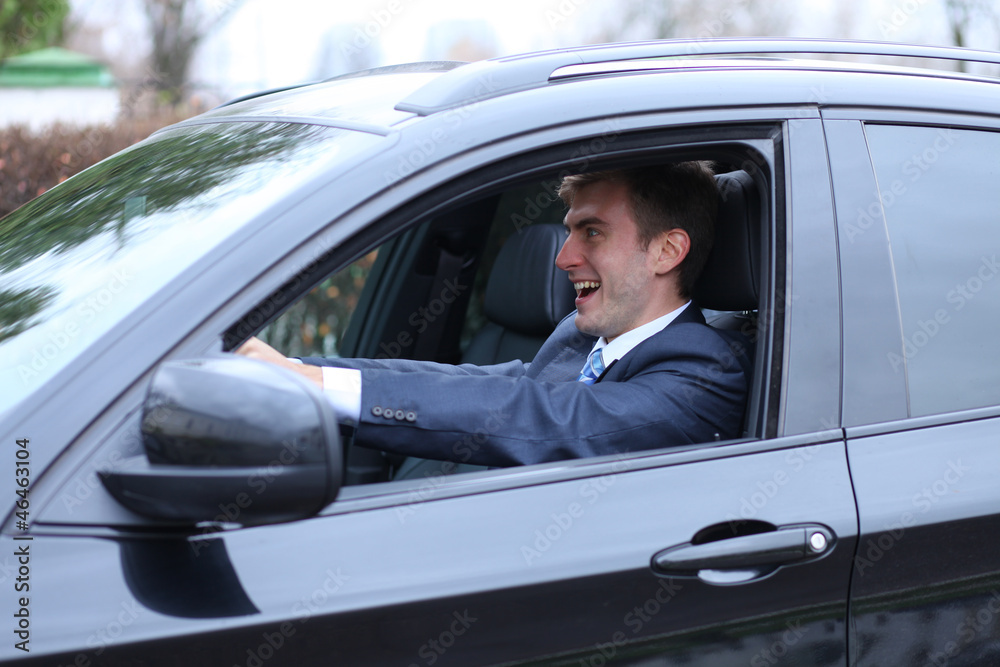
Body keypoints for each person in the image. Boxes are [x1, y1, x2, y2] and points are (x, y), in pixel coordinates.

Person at [238, 162, 750, 468]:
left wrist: (312, 387)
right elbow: (475, 385)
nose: (563, 257)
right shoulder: (582, 339)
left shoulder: (704, 374)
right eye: (568, 231)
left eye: (591, 232)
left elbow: (538, 417)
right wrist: (296, 372)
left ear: (667, 251)